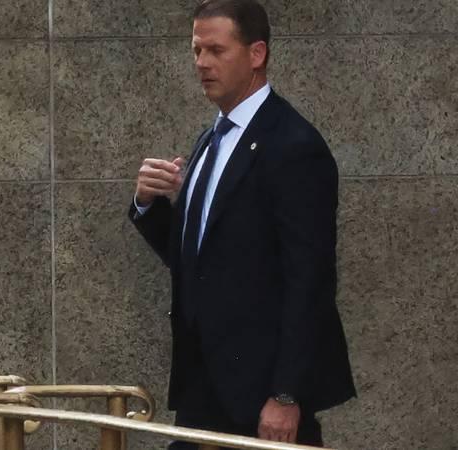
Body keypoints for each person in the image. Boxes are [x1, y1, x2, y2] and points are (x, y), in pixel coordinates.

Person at [129, 1, 355, 447]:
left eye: (216, 50)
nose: (202, 63)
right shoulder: (213, 138)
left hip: (262, 395)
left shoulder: (294, 146)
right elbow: (199, 259)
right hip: (203, 386)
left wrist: (286, 394)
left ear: (256, 54)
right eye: (196, 50)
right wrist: (147, 203)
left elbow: (309, 280)